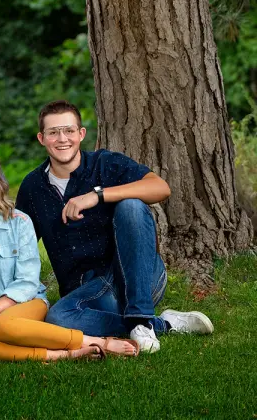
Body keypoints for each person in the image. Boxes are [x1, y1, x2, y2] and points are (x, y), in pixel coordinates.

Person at [16, 100, 214, 354]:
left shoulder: (105, 163)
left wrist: (96, 195)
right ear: (42, 138)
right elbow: (21, 243)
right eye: (53, 132)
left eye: (68, 130)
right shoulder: (33, 187)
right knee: (58, 319)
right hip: (89, 294)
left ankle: (140, 315)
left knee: (130, 205)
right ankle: (160, 323)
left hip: (138, 277)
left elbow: (160, 188)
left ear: (81, 134)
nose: (62, 138)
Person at [0, 149, 139, 361]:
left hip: (23, 304)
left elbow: (27, 282)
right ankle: (62, 355)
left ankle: (97, 342)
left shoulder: (18, 222)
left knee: (4, 325)